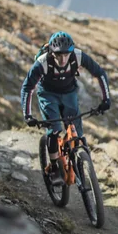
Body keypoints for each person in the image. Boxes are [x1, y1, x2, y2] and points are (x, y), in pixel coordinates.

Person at [20, 31, 111, 185]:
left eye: (66, 55)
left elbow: (100, 73)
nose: (62, 59)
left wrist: (106, 99)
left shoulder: (78, 56)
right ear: (51, 52)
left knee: (77, 131)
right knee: (54, 130)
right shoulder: (42, 62)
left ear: (71, 51)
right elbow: (28, 88)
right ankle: (55, 167)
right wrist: (27, 115)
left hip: (69, 93)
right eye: (58, 55)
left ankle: (82, 162)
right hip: (48, 94)